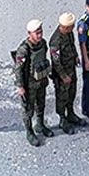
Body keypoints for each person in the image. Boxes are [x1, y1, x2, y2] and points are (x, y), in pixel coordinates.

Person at [13, 19, 54, 147]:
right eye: (37, 33)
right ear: (29, 33)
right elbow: (18, 69)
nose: (40, 35)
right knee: (28, 110)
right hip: (29, 85)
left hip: (41, 81)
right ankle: (29, 131)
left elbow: (43, 58)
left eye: (40, 32)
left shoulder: (43, 44)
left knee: (41, 104)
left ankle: (40, 125)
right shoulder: (24, 50)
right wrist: (20, 86)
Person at [49, 13, 84, 135]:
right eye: (71, 26)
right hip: (62, 74)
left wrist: (75, 56)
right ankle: (62, 119)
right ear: (64, 27)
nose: (73, 28)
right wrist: (64, 76)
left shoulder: (68, 33)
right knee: (62, 97)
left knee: (72, 92)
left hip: (71, 69)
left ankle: (71, 114)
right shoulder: (55, 41)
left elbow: (72, 45)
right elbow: (56, 62)